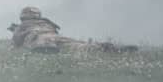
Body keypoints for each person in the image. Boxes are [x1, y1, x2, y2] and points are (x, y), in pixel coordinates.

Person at [8, 6, 136, 54]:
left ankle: (46, 50)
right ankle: (106, 47)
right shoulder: (47, 22)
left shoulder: (22, 26)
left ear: (23, 16)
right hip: (56, 36)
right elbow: (55, 32)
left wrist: (15, 36)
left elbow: (16, 42)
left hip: (40, 38)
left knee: (44, 44)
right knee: (79, 46)